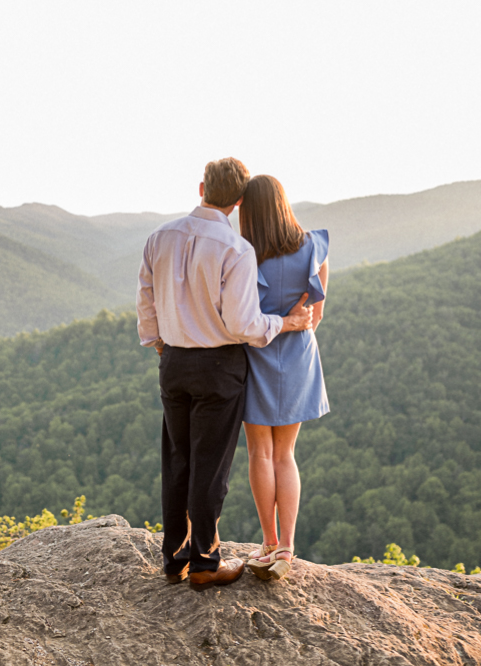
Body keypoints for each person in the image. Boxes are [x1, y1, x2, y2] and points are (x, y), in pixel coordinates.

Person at [137, 158, 313, 590]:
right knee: (209, 467)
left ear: (201, 188)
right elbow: (244, 326)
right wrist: (286, 324)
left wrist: (158, 342)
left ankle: (174, 558)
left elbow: (146, 300)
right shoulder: (236, 249)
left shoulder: (159, 237)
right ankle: (205, 563)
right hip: (218, 366)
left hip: (173, 361)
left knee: (177, 460)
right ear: (237, 201)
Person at [237, 174, 330, 581]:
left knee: (259, 453)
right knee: (285, 455)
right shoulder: (314, 246)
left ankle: (269, 543)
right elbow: (317, 316)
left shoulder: (243, 254)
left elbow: (239, 317)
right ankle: (288, 549)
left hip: (254, 356)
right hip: (297, 356)